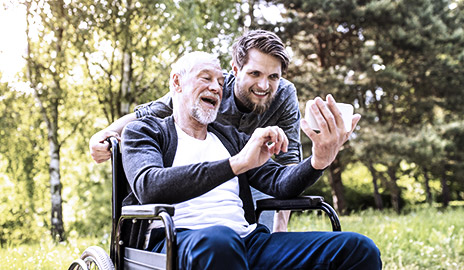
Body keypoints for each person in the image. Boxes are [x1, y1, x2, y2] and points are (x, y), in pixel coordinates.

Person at [121, 51, 381, 270]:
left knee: (358, 249)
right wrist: (236, 164)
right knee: (220, 241)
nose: (216, 87)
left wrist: (319, 160)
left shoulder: (232, 138)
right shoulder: (145, 131)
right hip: (175, 242)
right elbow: (149, 186)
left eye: (221, 82)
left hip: (246, 241)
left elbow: (280, 184)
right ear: (177, 82)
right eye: (206, 78)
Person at [90, 30, 301, 232]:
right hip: (203, 170)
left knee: (262, 233)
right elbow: (152, 111)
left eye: (273, 77)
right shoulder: (213, 87)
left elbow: (288, 160)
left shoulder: (284, 95)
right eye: (255, 73)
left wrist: (280, 228)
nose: (264, 85)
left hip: (254, 173)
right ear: (236, 71)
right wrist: (105, 133)